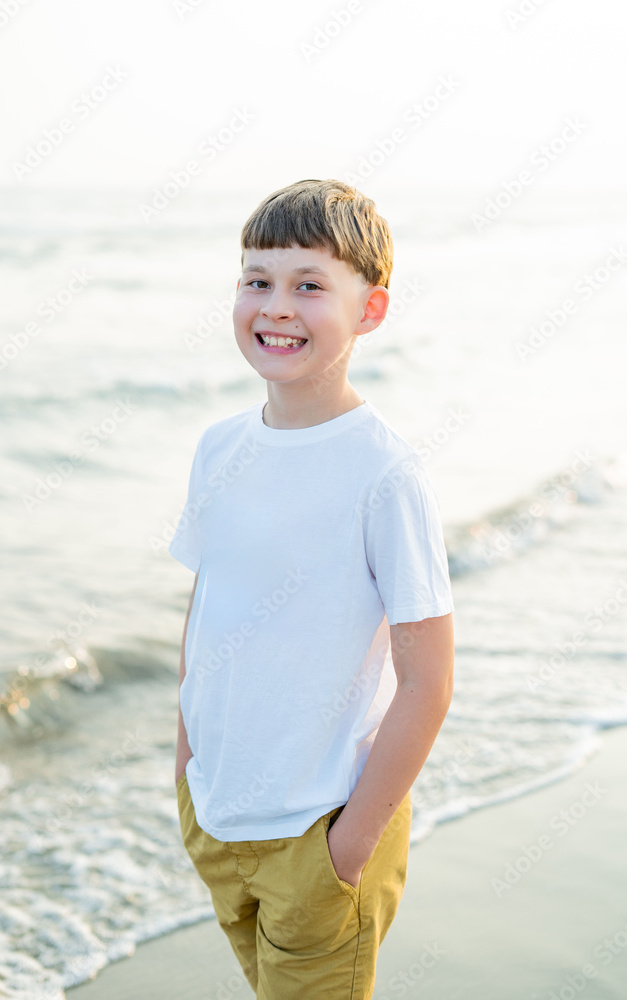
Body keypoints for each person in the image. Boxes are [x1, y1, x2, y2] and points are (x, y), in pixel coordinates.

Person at [169, 178, 455, 999]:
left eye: (309, 286)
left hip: (320, 830)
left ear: (369, 310)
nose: (276, 307)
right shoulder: (219, 448)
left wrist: (349, 846)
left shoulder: (383, 473)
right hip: (218, 817)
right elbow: (206, 614)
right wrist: (186, 773)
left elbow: (429, 682)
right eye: (257, 280)